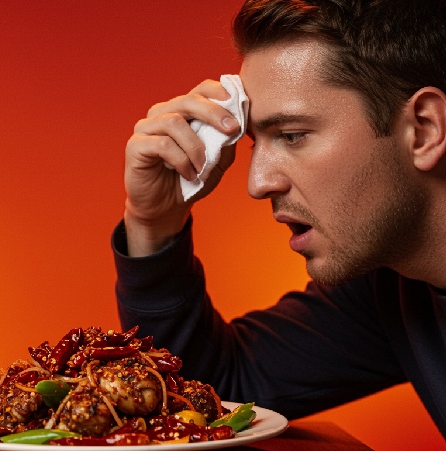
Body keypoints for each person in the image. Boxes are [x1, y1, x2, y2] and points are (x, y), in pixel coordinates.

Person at [113, 0, 446, 438]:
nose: (257, 183)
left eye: (292, 135)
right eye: (256, 143)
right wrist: (153, 224)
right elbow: (211, 393)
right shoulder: (392, 287)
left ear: (423, 129)